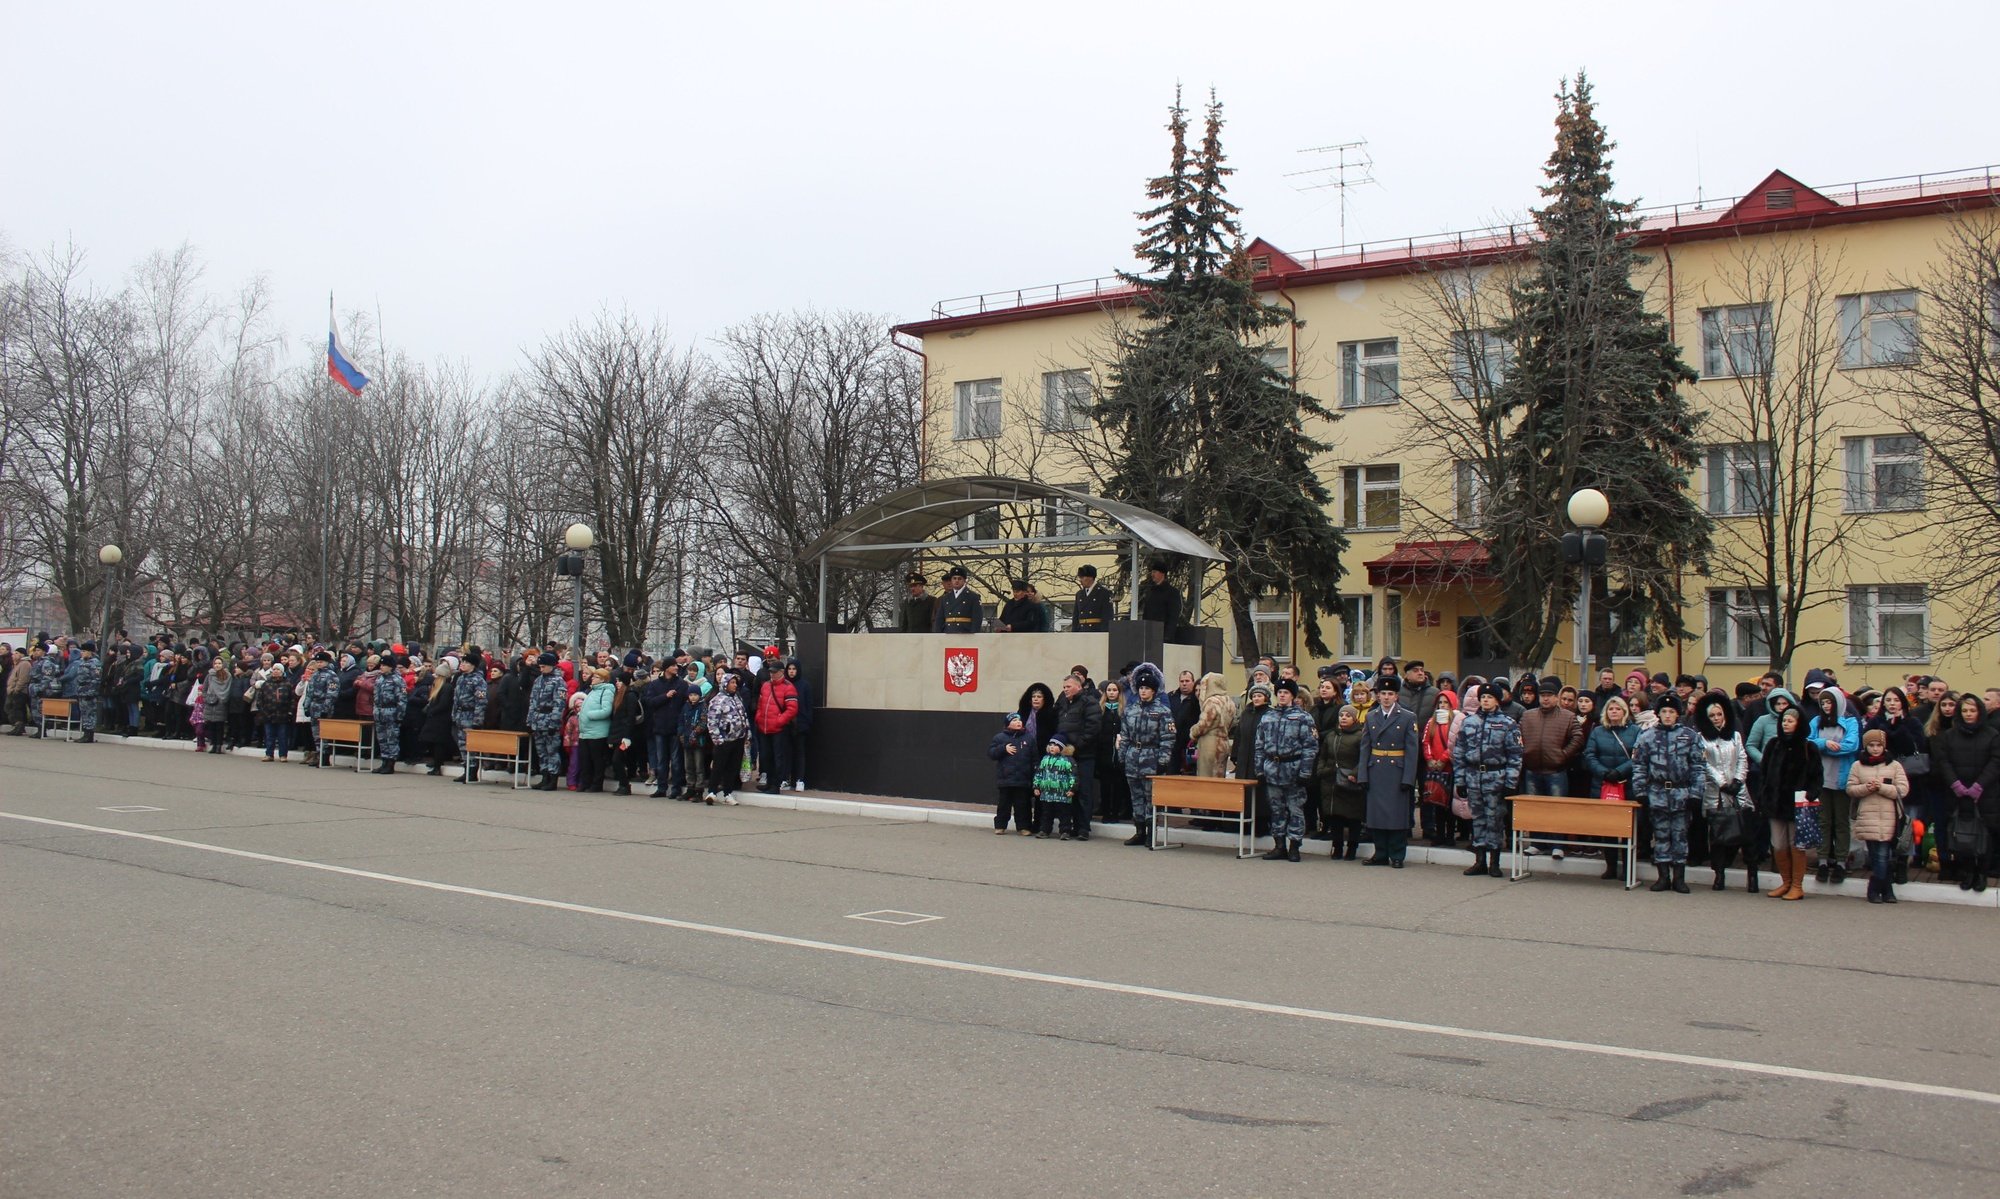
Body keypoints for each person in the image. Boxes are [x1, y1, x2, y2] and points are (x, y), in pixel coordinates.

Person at [1632, 694, 1703, 893]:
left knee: (1680, 835)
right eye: (1664, 711)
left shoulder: (1689, 736)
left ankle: (1679, 878)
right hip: (1657, 791)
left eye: (1671, 712)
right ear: (1658, 714)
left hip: (1682, 792)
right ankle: (1663, 876)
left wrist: (1696, 794)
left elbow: (1698, 766)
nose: (1668, 715)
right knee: (1661, 835)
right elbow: (1639, 766)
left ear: (1677, 714)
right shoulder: (1647, 736)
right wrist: (1641, 792)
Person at [1454, 687, 1522, 878]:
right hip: (1473, 775)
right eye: (1482, 697)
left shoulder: (1508, 724)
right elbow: (1459, 753)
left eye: (1489, 697)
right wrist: (1460, 780)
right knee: (1478, 818)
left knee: (1495, 819)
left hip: (1496, 777)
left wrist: (1510, 782)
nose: (1485, 700)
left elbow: (1515, 755)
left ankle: (1494, 861)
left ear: (1497, 701)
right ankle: (1479, 860)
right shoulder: (1469, 722)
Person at [1934, 694, 1999, 891]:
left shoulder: (1992, 735)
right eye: (1964, 711)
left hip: (1986, 793)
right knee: (1962, 835)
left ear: (1979, 711)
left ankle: (1982, 874)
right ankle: (1968, 872)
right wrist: (1956, 785)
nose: (1968, 714)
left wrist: (1979, 785)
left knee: (1986, 835)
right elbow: (1943, 761)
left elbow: (1996, 761)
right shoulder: (1949, 736)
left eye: (1972, 710)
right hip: (1959, 794)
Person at [1865, 686, 1928, 884]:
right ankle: (1885, 864)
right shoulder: (1876, 722)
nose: (1892, 704)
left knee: (1905, 826)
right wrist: (1886, 728)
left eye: (1896, 700)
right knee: (1884, 826)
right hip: (1881, 781)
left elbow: (1913, 747)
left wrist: (1898, 726)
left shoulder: (1912, 722)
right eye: (1888, 700)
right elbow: (1869, 746)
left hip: (1908, 782)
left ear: (1903, 703)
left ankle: (1902, 863)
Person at [1759, 706, 1820, 900]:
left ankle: (1796, 885)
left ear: (1799, 723)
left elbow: (1817, 776)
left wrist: (1810, 794)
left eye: (1791, 721)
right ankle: (1785, 882)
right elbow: (1764, 772)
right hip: (1775, 802)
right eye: (1784, 720)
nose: (1786, 723)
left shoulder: (1808, 747)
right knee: (1778, 843)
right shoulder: (1773, 744)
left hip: (1798, 805)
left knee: (1797, 844)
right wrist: (1764, 794)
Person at [1695, 693, 1755, 893]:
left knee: (1747, 834)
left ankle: (1752, 876)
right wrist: (1722, 784)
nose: (1716, 718)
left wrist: (1738, 781)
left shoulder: (1735, 736)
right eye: (1712, 716)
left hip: (1739, 792)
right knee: (1719, 837)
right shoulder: (1701, 738)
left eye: (1719, 714)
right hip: (1715, 794)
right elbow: (1704, 764)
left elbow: (1743, 759)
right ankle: (1719, 875)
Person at [1255, 679, 1320, 862]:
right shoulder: (1268, 716)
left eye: (1286, 692)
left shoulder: (1303, 717)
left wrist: (1305, 772)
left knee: (1295, 809)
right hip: (1272, 769)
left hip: (1293, 769)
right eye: (1280, 692)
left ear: (1293, 695)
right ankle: (1279, 845)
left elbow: (1310, 747)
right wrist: (1259, 769)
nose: (1282, 695)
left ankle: (1294, 846)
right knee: (1276, 810)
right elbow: (1259, 745)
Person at [1360, 675, 1421, 868]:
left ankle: (1396, 854)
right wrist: (1363, 774)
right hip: (1376, 768)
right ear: (1378, 696)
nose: (1386, 697)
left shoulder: (1407, 717)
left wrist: (1408, 778)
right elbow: (1365, 748)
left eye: (1390, 694)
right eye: (1383, 693)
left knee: (1396, 816)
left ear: (1396, 696)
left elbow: (1412, 751)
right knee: (1377, 815)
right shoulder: (1371, 716)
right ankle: (1380, 853)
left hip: (1397, 770)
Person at [1847, 728, 1911, 904]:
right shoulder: (1857, 766)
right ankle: (1886, 890)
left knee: (1884, 855)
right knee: (1877, 856)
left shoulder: (1894, 765)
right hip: (1867, 817)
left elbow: (1902, 790)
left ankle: (1876, 888)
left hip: (1889, 818)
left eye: (1879, 745)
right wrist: (1866, 787)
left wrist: (1882, 787)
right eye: (1871, 745)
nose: (1875, 749)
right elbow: (1850, 789)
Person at [1807, 687, 1861, 885]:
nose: (1826, 707)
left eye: (1830, 703)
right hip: (1821, 779)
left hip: (1842, 779)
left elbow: (1851, 745)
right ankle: (1822, 860)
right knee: (1823, 821)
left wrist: (1827, 748)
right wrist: (1825, 744)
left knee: (1841, 822)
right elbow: (1808, 742)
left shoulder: (1849, 721)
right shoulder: (1816, 722)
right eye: (1823, 703)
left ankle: (1840, 861)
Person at [1118, 663, 1175, 847]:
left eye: (1147, 688)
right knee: (1136, 796)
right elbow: (1125, 735)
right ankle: (1139, 831)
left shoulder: (1163, 711)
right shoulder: (1130, 709)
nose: (1143, 691)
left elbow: (1168, 737)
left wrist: (1163, 760)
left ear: (1154, 691)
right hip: (1133, 756)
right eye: (1141, 688)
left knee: (1151, 797)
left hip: (1152, 755)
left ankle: (1151, 832)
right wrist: (1122, 756)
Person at [1052, 673, 1103, 840]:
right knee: (1068, 792)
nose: (1065, 690)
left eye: (1068, 687)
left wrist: (1076, 747)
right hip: (1065, 756)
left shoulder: (1089, 703)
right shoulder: (1063, 703)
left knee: (1084, 792)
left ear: (1078, 686)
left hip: (1084, 755)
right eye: (1064, 687)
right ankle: (1069, 826)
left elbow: (1093, 728)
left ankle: (1083, 828)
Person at [753, 657, 800, 794]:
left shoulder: (788, 687)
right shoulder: (766, 685)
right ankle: (769, 782)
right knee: (766, 756)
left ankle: (776, 784)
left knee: (778, 757)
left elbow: (792, 709)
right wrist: (759, 718)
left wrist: (779, 721)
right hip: (764, 727)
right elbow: (761, 704)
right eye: (770, 672)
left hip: (778, 729)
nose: (772, 674)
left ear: (781, 672)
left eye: (774, 672)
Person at [524, 653, 567, 791]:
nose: (541, 669)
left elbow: (559, 704)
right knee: (541, 751)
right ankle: (544, 777)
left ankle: (553, 778)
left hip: (549, 720)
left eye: (543, 666)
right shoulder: (538, 680)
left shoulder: (558, 681)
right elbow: (532, 702)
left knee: (552, 751)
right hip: (538, 720)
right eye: (540, 666)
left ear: (551, 666)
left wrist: (554, 723)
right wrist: (529, 721)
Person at [706, 673, 751, 803]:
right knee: (719, 766)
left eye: (735, 683)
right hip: (724, 740)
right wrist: (718, 739)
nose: (734, 685)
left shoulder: (737, 698)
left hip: (738, 739)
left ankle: (728, 793)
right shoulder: (717, 700)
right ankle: (712, 792)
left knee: (733, 767)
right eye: (732, 683)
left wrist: (747, 733)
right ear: (725, 684)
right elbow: (712, 721)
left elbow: (744, 716)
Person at [1186, 672, 1235, 779]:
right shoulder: (1229, 702)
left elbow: (1204, 724)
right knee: (1219, 776)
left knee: (1206, 777)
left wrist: (1193, 732)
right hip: (1223, 742)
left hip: (1210, 744)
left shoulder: (1212, 701)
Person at [1033, 734, 1079, 840]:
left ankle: (1065, 831)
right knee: (1046, 814)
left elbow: (1073, 775)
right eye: (1050, 745)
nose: (1052, 747)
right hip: (1047, 794)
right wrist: (1036, 786)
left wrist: (1072, 789)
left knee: (1065, 814)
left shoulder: (1068, 761)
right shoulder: (1045, 759)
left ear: (1062, 747)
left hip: (1062, 794)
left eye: (1055, 745)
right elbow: (1039, 773)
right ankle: (1044, 830)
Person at [370, 655, 408, 774]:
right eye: (380, 665)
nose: (381, 667)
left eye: (384, 665)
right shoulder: (380, 679)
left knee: (391, 738)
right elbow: (375, 697)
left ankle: (391, 763)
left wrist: (399, 716)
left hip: (391, 712)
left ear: (390, 667)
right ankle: (384, 761)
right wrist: (375, 710)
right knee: (382, 739)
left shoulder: (397, 680)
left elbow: (402, 699)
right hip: (380, 712)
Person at [932, 565, 983, 633]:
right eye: (954, 578)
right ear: (951, 580)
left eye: (959, 578)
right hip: (948, 632)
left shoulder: (973, 597)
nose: (956, 581)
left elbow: (977, 619)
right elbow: (939, 619)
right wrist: (938, 634)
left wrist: (973, 636)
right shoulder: (945, 598)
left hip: (965, 633)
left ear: (964, 580)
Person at [1137, 559, 1180, 635]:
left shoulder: (1172, 593)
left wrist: (1167, 636)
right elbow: (1146, 614)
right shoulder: (1151, 592)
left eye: (1155, 572)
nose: (1152, 574)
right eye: (1152, 572)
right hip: (1150, 635)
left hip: (1163, 636)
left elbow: (1173, 617)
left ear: (1162, 574)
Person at [1071, 564, 1113, 632]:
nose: (1080, 580)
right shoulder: (1079, 594)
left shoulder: (1104, 593)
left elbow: (1107, 616)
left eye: (1082, 577)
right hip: (1081, 632)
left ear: (1090, 578)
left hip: (1096, 631)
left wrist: (1103, 634)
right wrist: (1074, 633)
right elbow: (1075, 617)